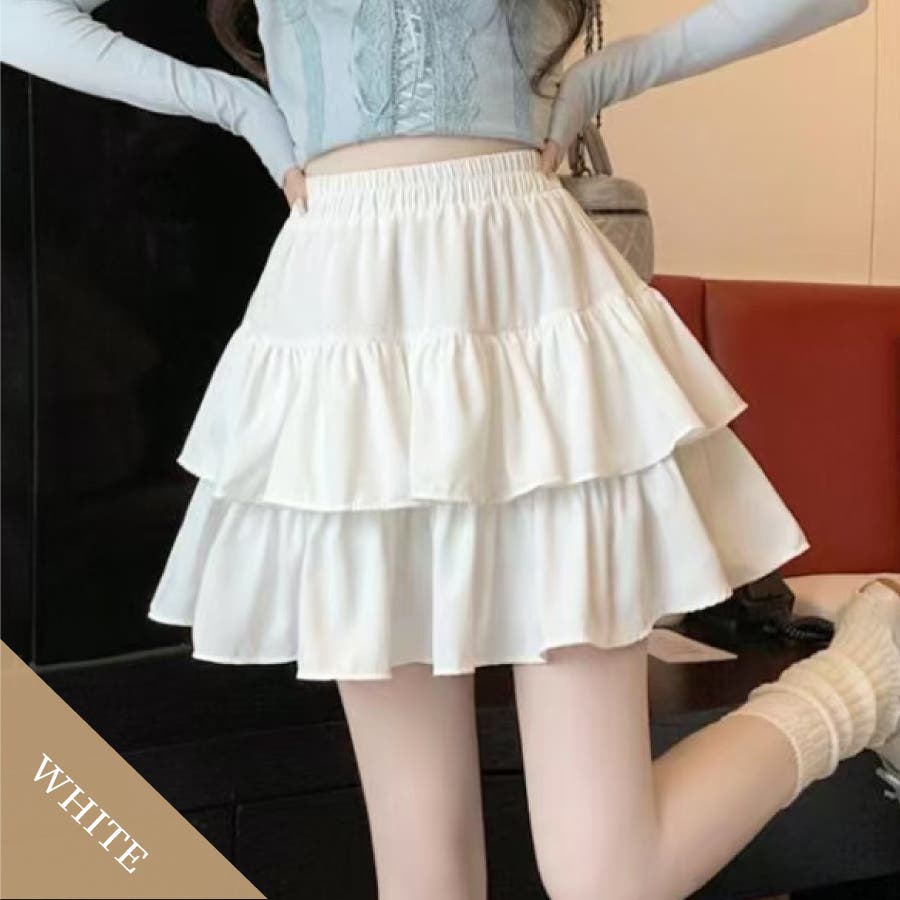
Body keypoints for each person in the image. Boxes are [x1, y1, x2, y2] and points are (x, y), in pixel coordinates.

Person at [3, 2, 896, 898]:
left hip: (526, 306)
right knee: (423, 875)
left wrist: (607, 75)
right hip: (341, 328)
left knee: (608, 877)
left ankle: (870, 673)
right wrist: (234, 104)